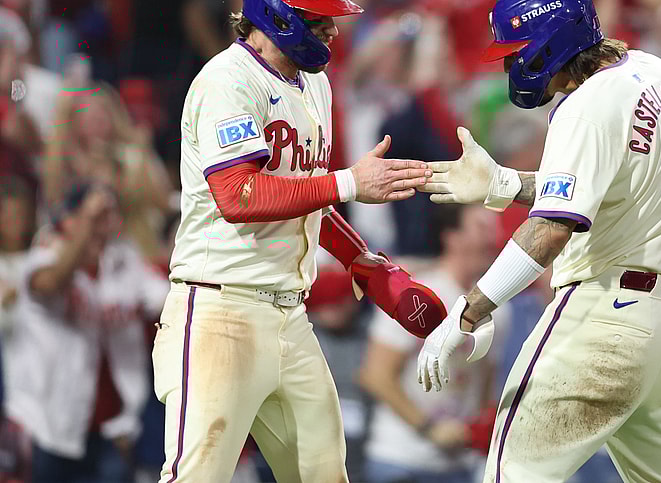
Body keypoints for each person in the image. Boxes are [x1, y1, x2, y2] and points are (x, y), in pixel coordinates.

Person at [416, 0, 661, 481]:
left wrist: (469, 310)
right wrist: (506, 183)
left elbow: (553, 227)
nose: (510, 66)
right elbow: (602, 187)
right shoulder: (657, 72)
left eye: (516, 52)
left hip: (604, 317)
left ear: (550, 41)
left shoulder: (583, 107)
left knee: (511, 473)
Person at [155, 0, 448, 481]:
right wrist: (349, 182)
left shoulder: (316, 83)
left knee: (325, 474)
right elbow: (239, 195)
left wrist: (363, 262)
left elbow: (305, 193)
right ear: (278, 14)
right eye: (320, 18)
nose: (333, 30)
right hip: (220, 312)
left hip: (290, 315)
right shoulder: (227, 80)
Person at [8, 183, 163, 482]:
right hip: (46, 426)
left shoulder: (123, 263)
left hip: (110, 429)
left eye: (107, 216)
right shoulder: (45, 256)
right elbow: (50, 283)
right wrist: (88, 222)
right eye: (94, 217)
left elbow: (164, 298)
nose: (102, 225)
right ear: (69, 221)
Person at [359, 204, 507, 483]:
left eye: (494, 229)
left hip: (458, 465)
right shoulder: (418, 295)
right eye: (482, 228)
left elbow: (486, 382)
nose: (494, 238)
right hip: (400, 460)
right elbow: (375, 375)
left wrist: (481, 431)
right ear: (452, 236)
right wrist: (429, 428)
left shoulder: (499, 308)